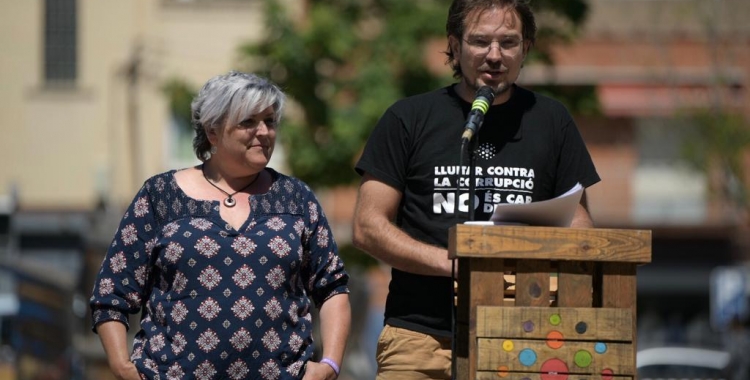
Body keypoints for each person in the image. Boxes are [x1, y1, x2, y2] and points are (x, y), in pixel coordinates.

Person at [352, 0, 600, 379]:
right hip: (421, 338)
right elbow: (368, 227)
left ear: (527, 48)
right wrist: (453, 264)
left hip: (524, 336)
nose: (494, 56)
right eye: (480, 41)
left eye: (509, 42)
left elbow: (579, 227)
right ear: (454, 45)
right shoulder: (408, 118)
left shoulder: (552, 121)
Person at [90, 71, 351, 380]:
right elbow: (111, 293)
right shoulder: (161, 196)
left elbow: (333, 288)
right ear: (212, 132)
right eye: (248, 122)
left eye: (270, 121)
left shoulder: (296, 199)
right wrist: (122, 367)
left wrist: (330, 365)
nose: (264, 132)